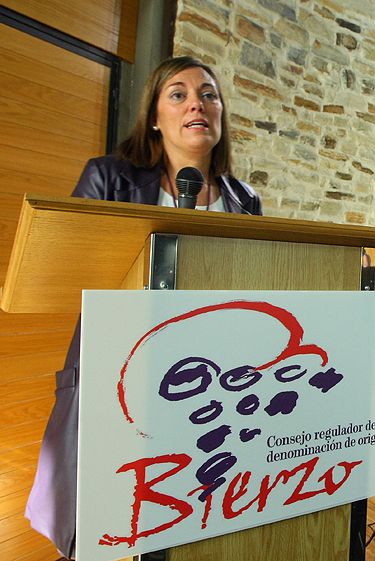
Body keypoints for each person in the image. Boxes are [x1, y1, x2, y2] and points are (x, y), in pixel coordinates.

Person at [25, 56, 262, 559]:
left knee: (192, 520)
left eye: (209, 94)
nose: (197, 102)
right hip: (121, 378)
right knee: (105, 526)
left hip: (213, 389)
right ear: (155, 116)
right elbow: (68, 268)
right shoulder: (109, 178)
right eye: (177, 93)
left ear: (220, 116)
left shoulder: (245, 200)